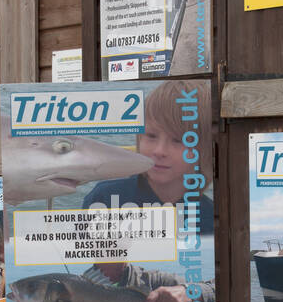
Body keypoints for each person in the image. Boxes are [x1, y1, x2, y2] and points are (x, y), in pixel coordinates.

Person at [83, 81, 215, 234]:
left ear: (205, 148)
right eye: (151, 136)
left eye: (178, 140)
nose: (160, 151)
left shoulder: (211, 216)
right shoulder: (105, 198)